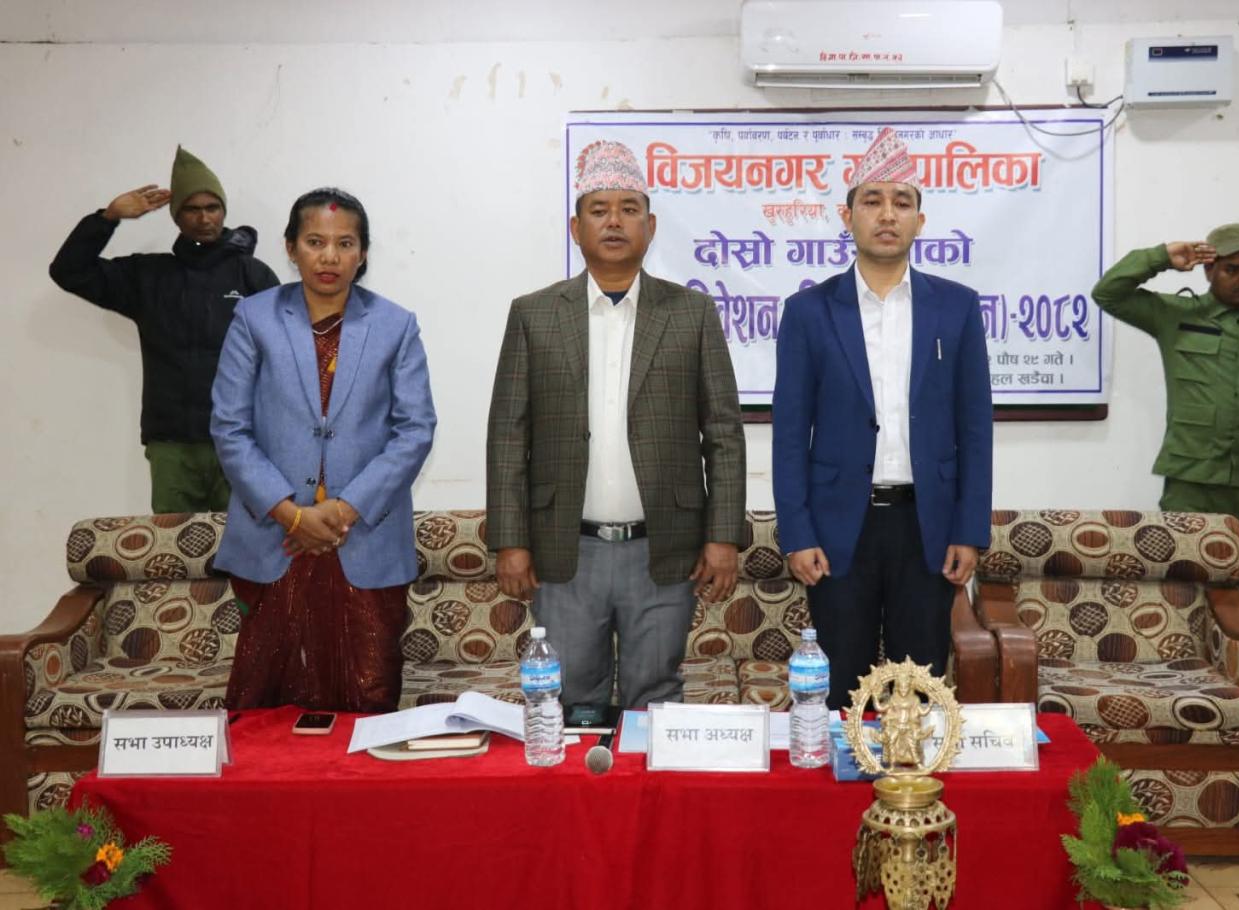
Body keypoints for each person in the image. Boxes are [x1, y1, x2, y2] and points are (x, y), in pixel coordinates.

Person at [486, 140, 746, 709]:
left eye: (629, 209)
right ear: (575, 228)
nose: (613, 221)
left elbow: (724, 434)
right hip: (564, 549)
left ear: (650, 227)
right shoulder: (533, 314)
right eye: (599, 209)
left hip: (665, 548)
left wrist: (723, 536)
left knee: (654, 699)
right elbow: (508, 436)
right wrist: (511, 542)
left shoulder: (692, 314)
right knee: (569, 700)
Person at [772, 127, 993, 709]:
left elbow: (975, 429)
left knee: (916, 691)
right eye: (872, 201)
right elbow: (790, 434)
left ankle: (910, 773)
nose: (887, 214)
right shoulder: (808, 312)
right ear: (847, 217)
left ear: (921, 220)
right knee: (840, 689)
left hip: (928, 527)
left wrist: (969, 530)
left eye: (902, 201)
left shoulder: (957, 307)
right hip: (838, 529)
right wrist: (797, 533)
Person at [211, 188, 436, 712]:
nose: (329, 256)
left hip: (364, 539)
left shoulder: (395, 325)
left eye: (345, 243)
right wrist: (291, 514)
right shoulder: (255, 318)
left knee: (367, 699)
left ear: (363, 252)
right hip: (274, 540)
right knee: (265, 706)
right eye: (315, 242)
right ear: (291, 247)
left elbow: (415, 430)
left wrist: (343, 509)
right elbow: (229, 427)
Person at [1092, 224, 1239, 628]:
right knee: (1183, 597)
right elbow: (1108, 292)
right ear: (1209, 270)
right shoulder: (1177, 316)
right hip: (1192, 485)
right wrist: (1162, 257)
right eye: (1233, 269)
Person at [49, 146, 279, 513]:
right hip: (171, 445)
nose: (204, 218)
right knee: (171, 546)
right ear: (176, 216)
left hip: (240, 440)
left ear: (223, 210)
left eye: (212, 207)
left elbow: (283, 355)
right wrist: (108, 217)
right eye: (192, 208)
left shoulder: (252, 276)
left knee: (246, 543)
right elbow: (69, 271)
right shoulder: (148, 276)